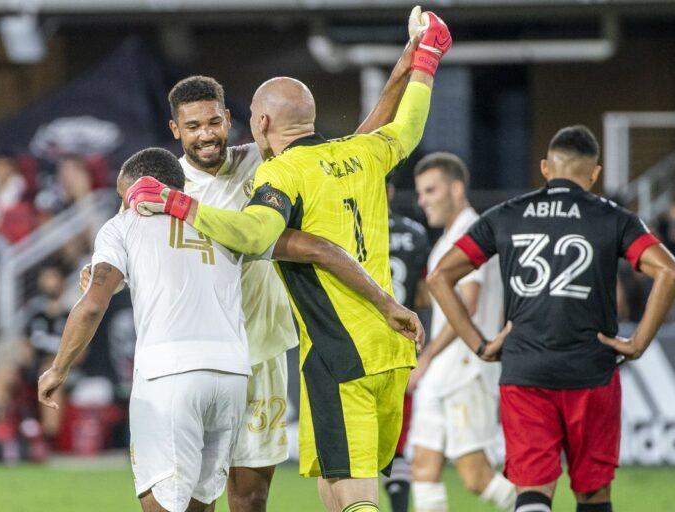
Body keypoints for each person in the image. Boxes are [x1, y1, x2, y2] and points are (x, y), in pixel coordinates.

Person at [79, 26, 422, 510]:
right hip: (194, 357)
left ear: (230, 120)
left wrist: (401, 73)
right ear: (176, 130)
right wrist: (98, 275)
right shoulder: (158, 191)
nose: (206, 135)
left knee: (251, 493)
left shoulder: (262, 164)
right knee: (197, 494)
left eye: (214, 122)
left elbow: (352, 149)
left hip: (260, 354)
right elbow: (123, 251)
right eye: (193, 126)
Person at [426, 126, 675, 512]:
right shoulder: (614, 218)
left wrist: (479, 344)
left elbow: (439, 276)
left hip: (525, 371)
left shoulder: (506, 215)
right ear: (594, 173)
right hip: (591, 371)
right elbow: (670, 272)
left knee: (532, 491)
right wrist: (638, 342)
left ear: (546, 168)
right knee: (593, 494)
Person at [39, 148, 252, 512]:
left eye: (125, 197)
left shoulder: (123, 225)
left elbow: (92, 304)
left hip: (169, 375)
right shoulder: (219, 220)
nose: (125, 205)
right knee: (202, 501)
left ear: (138, 188)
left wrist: (59, 367)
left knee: (162, 501)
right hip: (232, 374)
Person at [407, 152, 515, 512]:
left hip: (466, 370)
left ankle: (533, 505)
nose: (422, 201)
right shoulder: (448, 238)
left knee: (475, 477)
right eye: (420, 193)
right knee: (423, 467)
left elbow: (467, 303)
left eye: (430, 190)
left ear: (456, 189)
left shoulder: (473, 232)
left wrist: (426, 358)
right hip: (443, 373)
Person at [384, 179, 430, 512]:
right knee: (395, 445)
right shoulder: (415, 233)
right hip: (404, 351)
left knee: (352, 451)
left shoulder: (344, 229)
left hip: (359, 350)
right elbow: (427, 295)